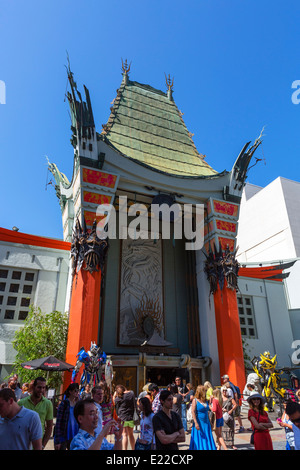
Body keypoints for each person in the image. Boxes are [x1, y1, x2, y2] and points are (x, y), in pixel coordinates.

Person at [18, 376, 53, 449]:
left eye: (43, 388)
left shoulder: (48, 404)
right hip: (22, 444)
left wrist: (43, 445)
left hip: (38, 444)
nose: (41, 390)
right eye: (39, 387)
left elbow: (49, 426)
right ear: (33, 387)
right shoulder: (21, 403)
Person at [189, 385, 216, 450]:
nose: (206, 392)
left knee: (207, 436)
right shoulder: (195, 400)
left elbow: (207, 412)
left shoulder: (206, 401)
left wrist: (210, 422)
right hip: (199, 422)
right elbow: (193, 412)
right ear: (201, 391)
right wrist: (195, 423)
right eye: (204, 390)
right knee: (200, 437)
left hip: (206, 422)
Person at [54, 383, 80, 450]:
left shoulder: (77, 404)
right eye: (75, 391)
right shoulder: (64, 404)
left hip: (74, 434)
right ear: (70, 391)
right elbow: (58, 423)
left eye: (78, 390)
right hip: (64, 435)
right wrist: (57, 440)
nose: (77, 392)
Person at [113, 384, 136, 450]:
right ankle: (133, 448)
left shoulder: (119, 397)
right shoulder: (131, 393)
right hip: (131, 417)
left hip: (123, 417)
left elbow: (113, 403)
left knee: (124, 435)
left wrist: (114, 396)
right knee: (131, 435)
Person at [221, 385, 237, 449]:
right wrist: (222, 409)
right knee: (224, 430)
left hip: (230, 416)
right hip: (223, 416)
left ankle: (232, 444)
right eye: (223, 391)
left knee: (231, 430)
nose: (224, 392)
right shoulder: (220, 398)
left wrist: (231, 410)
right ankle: (224, 443)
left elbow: (235, 404)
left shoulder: (230, 398)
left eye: (225, 390)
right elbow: (218, 406)